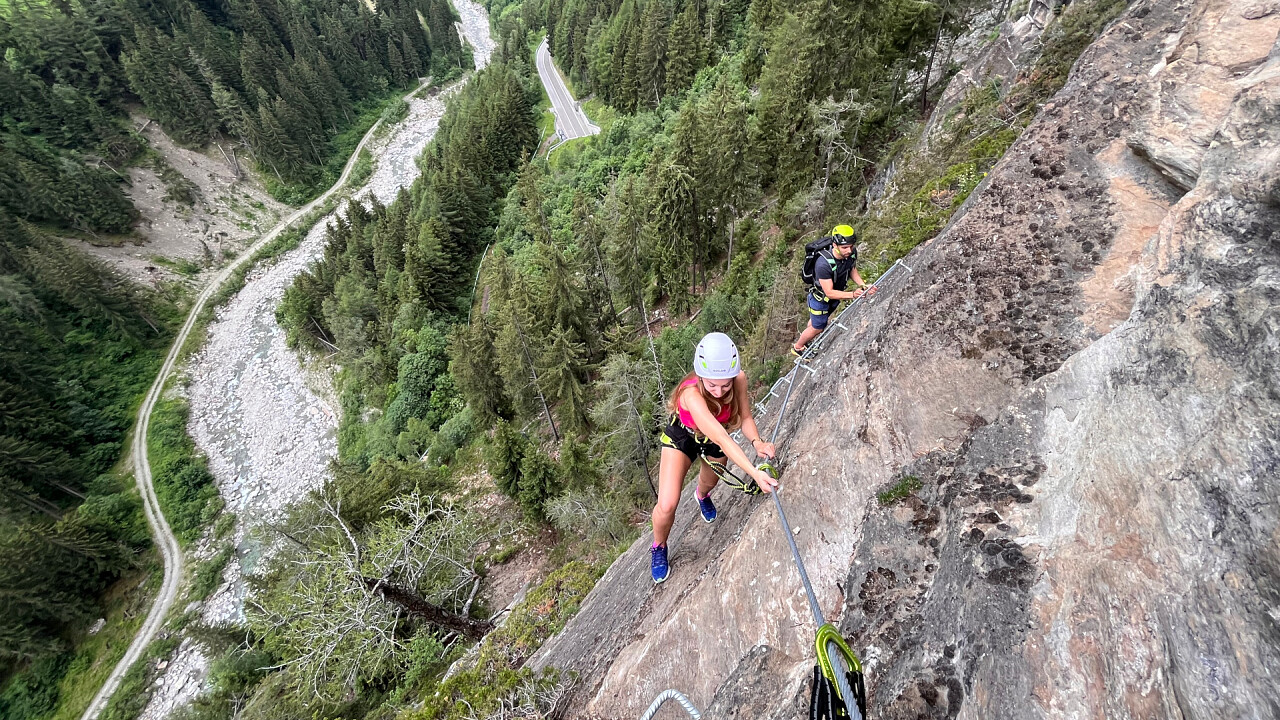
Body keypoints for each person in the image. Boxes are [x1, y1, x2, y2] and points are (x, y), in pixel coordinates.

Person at [650, 332, 778, 583]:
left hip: (712, 439)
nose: (719, 392)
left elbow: (746, 417)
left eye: (725, 385)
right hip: (683, 436)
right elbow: (721, 437)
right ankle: (659, 546)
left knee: (709, 483)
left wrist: (757, 442)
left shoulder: (738, 379)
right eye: (712, 385)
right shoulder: (690, 395)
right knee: (666, 505)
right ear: (700, 377)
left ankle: (701, 496)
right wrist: (754, 473)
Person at [792, 225, 875, 357]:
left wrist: (863, 285)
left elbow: (851, 269)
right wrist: (853, 294)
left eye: (851, 246)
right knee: (818, 327)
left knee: (816, 323)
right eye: (845, 247)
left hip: (833, 298)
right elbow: (829, 292)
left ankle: (809, 337)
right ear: (835, 245)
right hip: (820, 299)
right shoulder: (823, 264)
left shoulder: (851, 254)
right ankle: (798, 347)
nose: (849, 250)